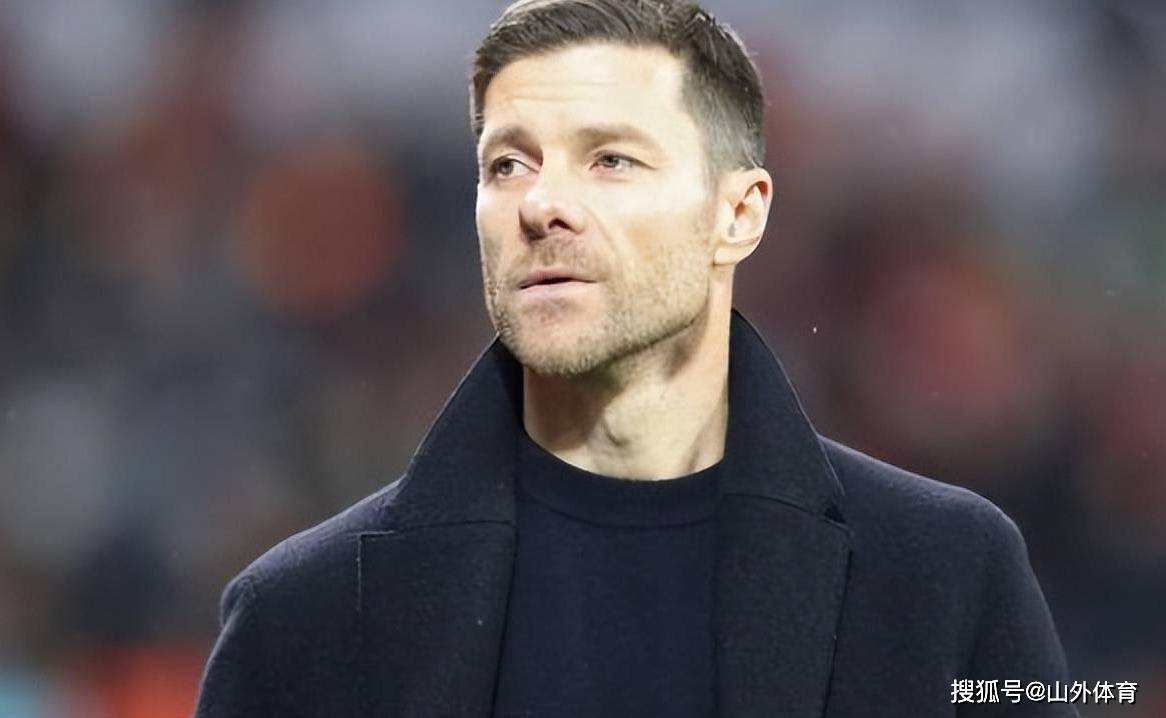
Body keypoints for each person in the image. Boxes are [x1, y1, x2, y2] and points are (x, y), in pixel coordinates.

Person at [194, 1, 1077, 716]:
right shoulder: (300, 620)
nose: (541, 204)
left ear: (739, 214)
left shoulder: (947, 576)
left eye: (610, 159)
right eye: (508, 165)